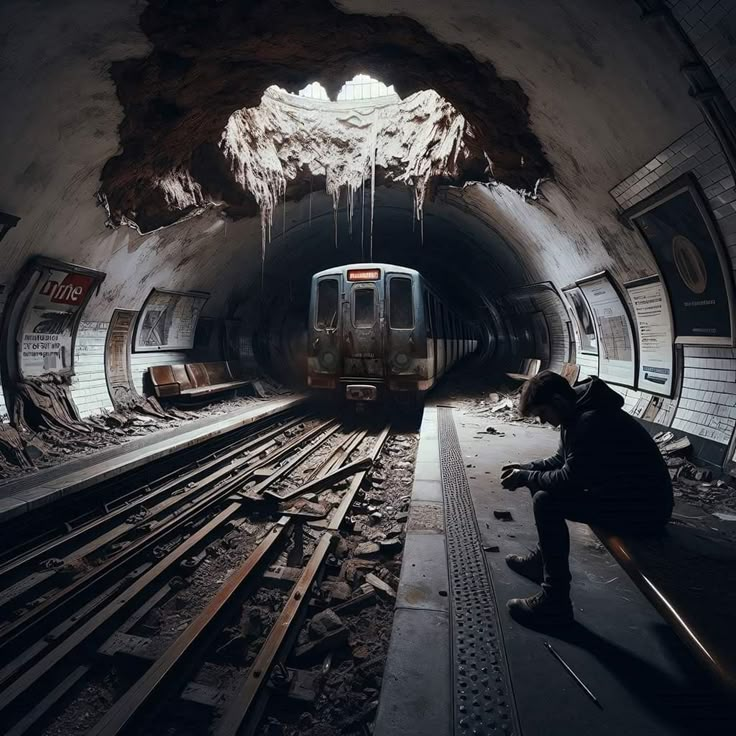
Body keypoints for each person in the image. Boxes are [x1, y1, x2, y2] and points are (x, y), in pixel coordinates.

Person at [500, 371, 673, 627]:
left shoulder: (592, 421)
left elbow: (570, 478)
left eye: (543, 414)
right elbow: (562, 461)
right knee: (539, 485)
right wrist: (526, 467)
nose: (545, 422)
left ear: (557, 401)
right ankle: (542, 563)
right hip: (624, 497)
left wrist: (527, 476)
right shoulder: (576, 411)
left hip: (645, 511)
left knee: (546, 500)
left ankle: (555, 601)